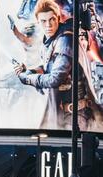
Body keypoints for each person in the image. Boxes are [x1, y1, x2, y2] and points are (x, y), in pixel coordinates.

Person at [14, 0, 93, 130]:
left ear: (57, 18)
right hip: (62, 112)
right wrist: (29, 71)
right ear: (38, 22)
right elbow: (47, 68)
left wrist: (28, 78)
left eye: (52, 19)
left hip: (75, 116)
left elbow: (55, 79)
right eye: (43, 21)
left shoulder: (64, 40)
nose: (48, 25)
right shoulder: (50, 41)